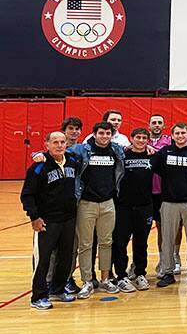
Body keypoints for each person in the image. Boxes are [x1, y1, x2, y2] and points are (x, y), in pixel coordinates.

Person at [20, 132, 80, 310]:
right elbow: (27, 195)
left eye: (62, 142)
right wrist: (34, 217)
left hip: (68, 218)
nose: (60, 145)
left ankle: (58, 289)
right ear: (47, 144)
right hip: (47, 220)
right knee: (43, 259)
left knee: (65, 256)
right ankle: (38, 296)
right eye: (55, 142)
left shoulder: (72, 161)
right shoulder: (38, 167)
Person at [72, 121, 126, 298]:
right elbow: (58, 152)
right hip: (86, 203)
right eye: (101, 133)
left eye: (108, 133)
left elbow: (135, 148)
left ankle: (105, 279)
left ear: (112, 135)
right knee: (85, 244)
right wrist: (38, 154)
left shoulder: (116, 150)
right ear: (94, 134)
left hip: (108, 202)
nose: (104, 136)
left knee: (106, 242)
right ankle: (87, 281)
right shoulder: (82, 149)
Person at [152, 122, 187, 288]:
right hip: (169, 202)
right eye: (177, 133)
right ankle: (168, 271)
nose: (180, 136)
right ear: (172, 135)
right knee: (168, 239)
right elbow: (156, 169)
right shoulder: (164, 152)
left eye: (183, 133)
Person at [112, 128, 154, 293]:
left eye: (145, 138)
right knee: (121, 242)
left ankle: (139, 273)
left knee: (141, 242)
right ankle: (121, 275)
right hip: (123, 206)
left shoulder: (153, 156)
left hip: (145, 206)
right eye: (138, 137)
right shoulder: (122, 155)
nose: (141, 140)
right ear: (131, 138)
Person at [149, 114, 174, 277]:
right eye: (154, 123)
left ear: (164, 125)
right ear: (149, 125)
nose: (157, 125)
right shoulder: (141, 140)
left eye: (160, 123)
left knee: (162, 229)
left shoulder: (169, 143)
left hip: (162, 192)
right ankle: (137, 263)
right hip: (144, 192)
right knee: (140, 231)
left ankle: (163, 260)